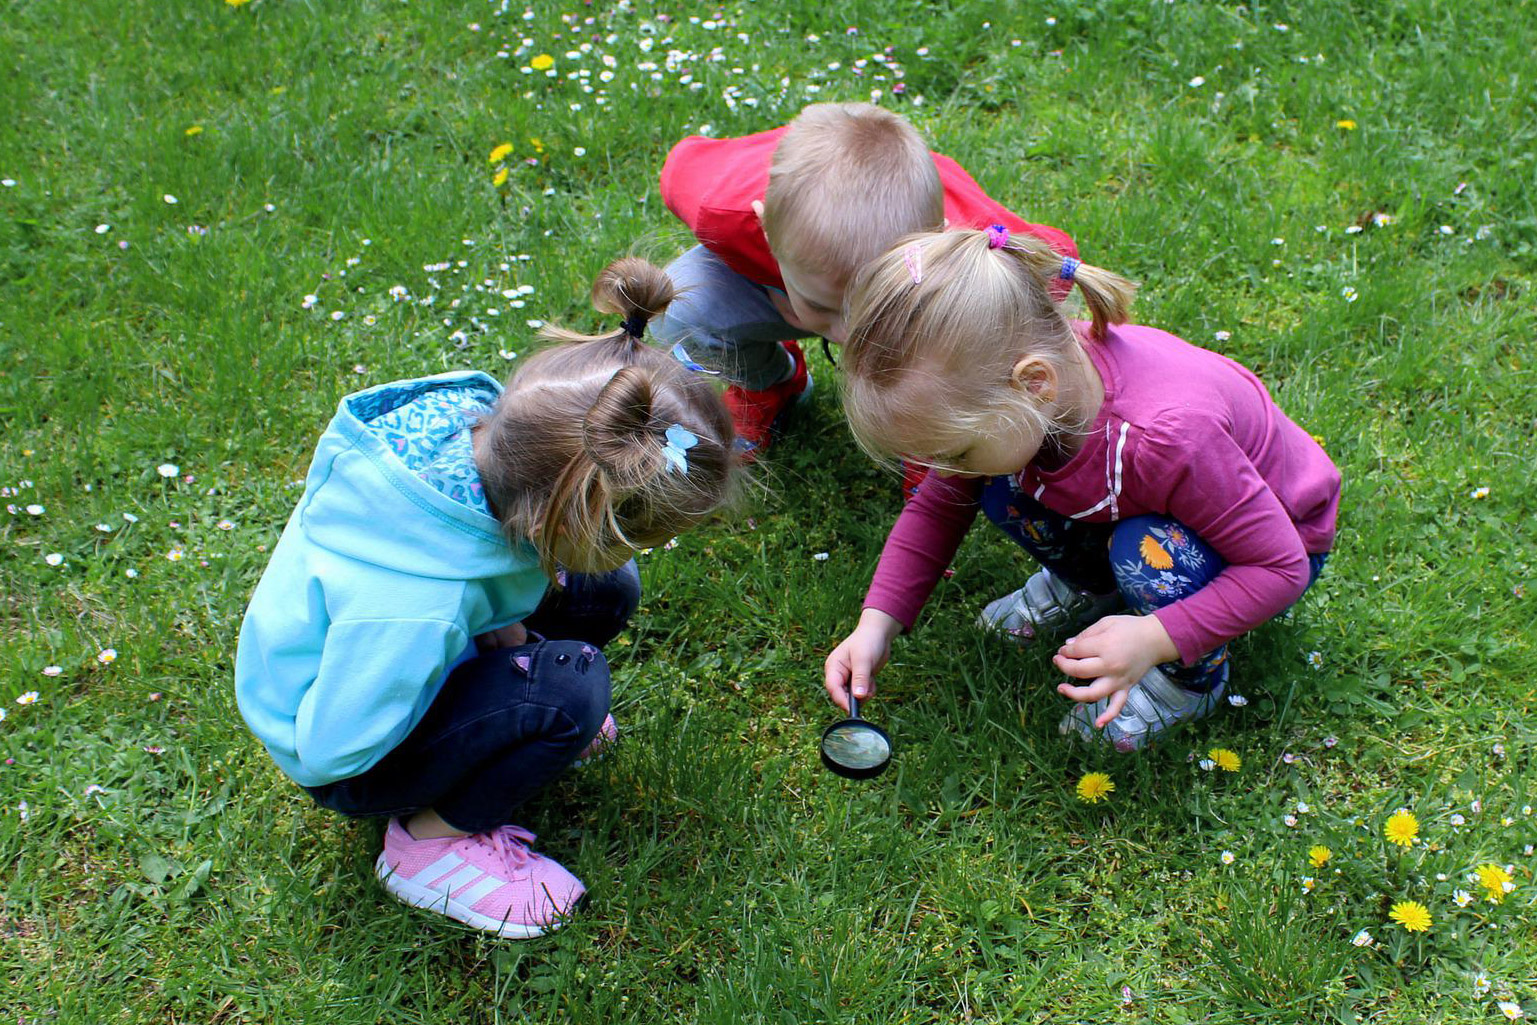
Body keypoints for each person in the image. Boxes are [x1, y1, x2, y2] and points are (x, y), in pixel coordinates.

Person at [235, 259, 738, 937]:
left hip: (414, 638)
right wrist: (473, 693)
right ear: (566, 521)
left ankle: (509, 711)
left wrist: (498, 634)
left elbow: (481, 572)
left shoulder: (492, 444)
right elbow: (329, 750)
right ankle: (428, 844)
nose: (639, 554)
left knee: (603, 591)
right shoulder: (411, 608)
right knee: (571, 693)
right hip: (344, 739)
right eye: (633, 539)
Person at [823, 227, 1340, 751]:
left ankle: (1189, 683)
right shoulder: (1017, 385)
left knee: (1145, 547)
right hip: (1157, 499)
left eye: (952, 453)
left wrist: (1153, 638)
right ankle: (1094, 587)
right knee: (997, 486)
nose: (940, 469)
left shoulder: (1169, 439)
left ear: (1033, 385)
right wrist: (877, 624)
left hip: (1273, 541)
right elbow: (938, 506)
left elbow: (1280, 567)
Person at [656, 101, 1077, 470]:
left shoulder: (969, 242)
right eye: (825, 308)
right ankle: (773, 383)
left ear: (937, 240)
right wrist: (766, 282)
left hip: (919, 276)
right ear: (765, 228)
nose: (848, 336)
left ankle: (926, 434)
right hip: (778, 272)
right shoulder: (721, 209)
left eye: (872, 310)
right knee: (677, 301)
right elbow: (680, 162)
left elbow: (1054, 266)